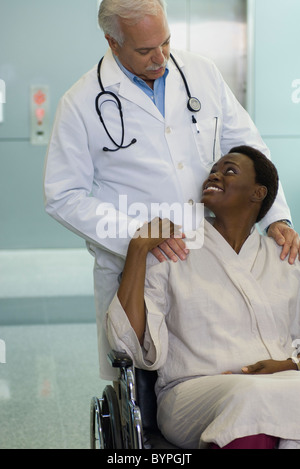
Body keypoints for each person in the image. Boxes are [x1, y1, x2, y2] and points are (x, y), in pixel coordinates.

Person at [43, 0, 300, 380]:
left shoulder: (201, 73)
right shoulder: (81, 102)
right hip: (138, 263)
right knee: (148, 368)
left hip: (214, 250)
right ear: (113, 43)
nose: (160, 57)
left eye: (165, 42)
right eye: (145, 50)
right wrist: (139, 238)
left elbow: (249, 147)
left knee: (229, 349)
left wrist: (274, 215)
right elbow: (63, 195)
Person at [106, 146, 300, 449]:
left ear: (258, 193)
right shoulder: (173, 251)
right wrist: (138, 249)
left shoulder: (284, 258)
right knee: (252, 395)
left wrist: (291, 364)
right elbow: (126, 345)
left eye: (230, 170)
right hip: (191, 393)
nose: (215, 175)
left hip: (280, 385)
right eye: (214, 170)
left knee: (269, 396)